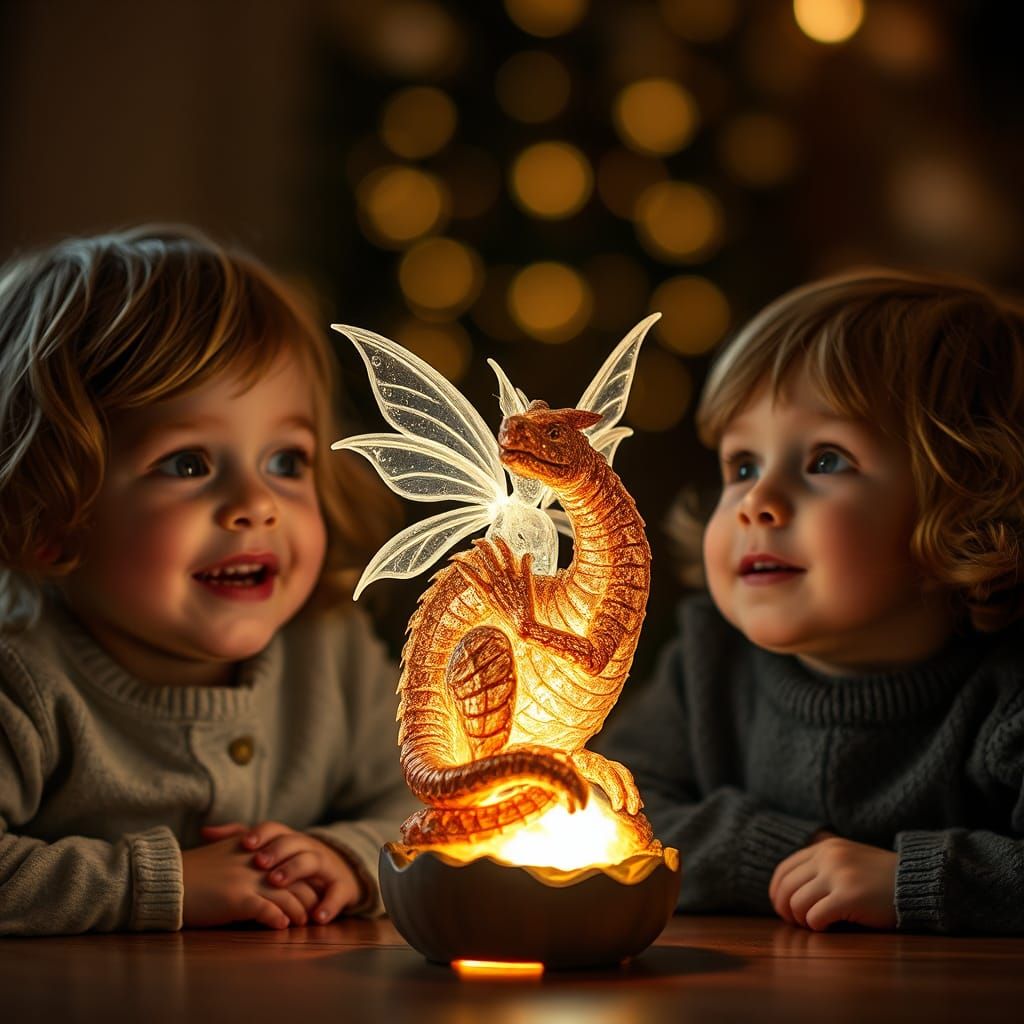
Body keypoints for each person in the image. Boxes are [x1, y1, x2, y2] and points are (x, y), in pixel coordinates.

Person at [0, 226, 417, 936]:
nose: (257, 504)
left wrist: (348, 858)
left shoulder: (330, 651)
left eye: (286, 462)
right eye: (188, 463)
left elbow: (435, 807)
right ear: (52, 514)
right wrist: (158, 883)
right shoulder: (21, 678)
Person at [599, 269, 1024, 934]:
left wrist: (912, 880)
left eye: (826, 460)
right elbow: (606, 811)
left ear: (966, 503)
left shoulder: (1006, 690)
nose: (756, 503)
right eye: (743, 466)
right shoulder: (709, 661)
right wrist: (774, 855)